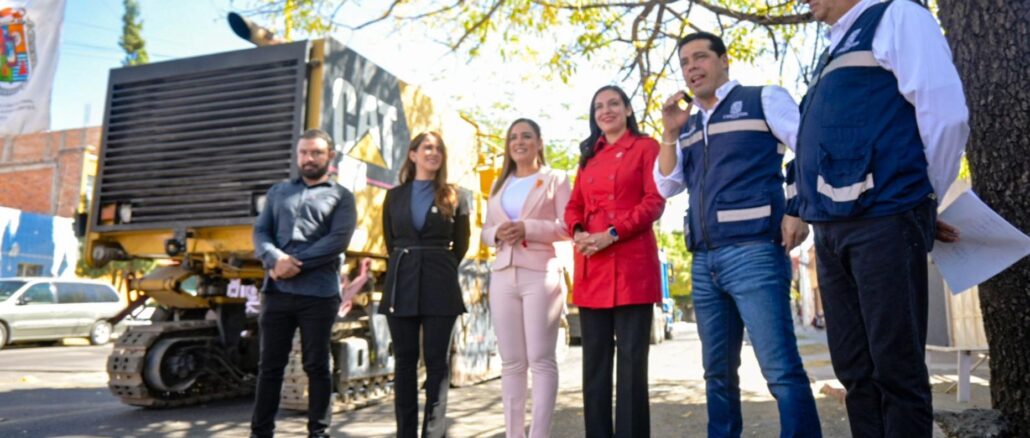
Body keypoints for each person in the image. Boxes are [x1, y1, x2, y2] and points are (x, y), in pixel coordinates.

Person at [795, 0, 968, 436]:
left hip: (885, 219)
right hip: (831, 230)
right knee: (855, 371)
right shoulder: (833, 47)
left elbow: (945, 115)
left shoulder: (899, 16)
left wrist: (923, 198)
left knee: (896, 370)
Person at [655, 32, 822, 438]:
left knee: (780, 369)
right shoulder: (688, 124)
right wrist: (670, 134)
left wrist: (797, 208)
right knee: (717, 374)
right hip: (704, 261)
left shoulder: (763, 98)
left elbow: (811, 146)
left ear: (724, 61)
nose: (692, 68)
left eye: (700, 58)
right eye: (685, 63)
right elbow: (666, 186)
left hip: (755, 252)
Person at [564, 85, 665, 438]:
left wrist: (612, 233)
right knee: (594, 365)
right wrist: (577, 232)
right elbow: (573, 205)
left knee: (632, 365)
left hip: (632, 265)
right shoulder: (589, 156)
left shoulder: (646, 147)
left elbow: (654, 202)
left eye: (613, 104)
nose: (606, 111)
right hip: (592, 267)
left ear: (627, 109)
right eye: (598, 107)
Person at [251, 128, 357, 438]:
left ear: (330, 157)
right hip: (277, 293)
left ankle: (318, 433)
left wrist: (293, 264)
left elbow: (337, 241)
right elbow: (261, 232)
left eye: (316, 153)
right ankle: (260, 433)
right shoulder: (278, 192)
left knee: (316, 366)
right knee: (269, 367)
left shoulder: (341, 197)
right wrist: (273, 260)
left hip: (318, 295)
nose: (309, 158)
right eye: (304, 153)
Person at [481, 118, 571, 438]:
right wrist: (497, 233)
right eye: (513, 137)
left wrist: (527, 228)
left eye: (526, 136)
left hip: (540, 273)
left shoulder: (556, 179)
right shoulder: (498, 185)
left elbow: (567, 227)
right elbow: (485, 231)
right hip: (503, 274)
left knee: (540, 359)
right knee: (512, 362)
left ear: (539, 142)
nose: (519, 142)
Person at [379, 131, 470, 438]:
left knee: (436, 362)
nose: (433, 153)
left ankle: (433, 432)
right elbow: (391, 240)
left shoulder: (456, 195)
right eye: (426, 148)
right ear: (413, 154)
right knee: (404, 362)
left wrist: (436, 265)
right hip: (401, 281)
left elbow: (461, 245)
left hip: (439, 283)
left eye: (438, 149)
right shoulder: (394, 196)